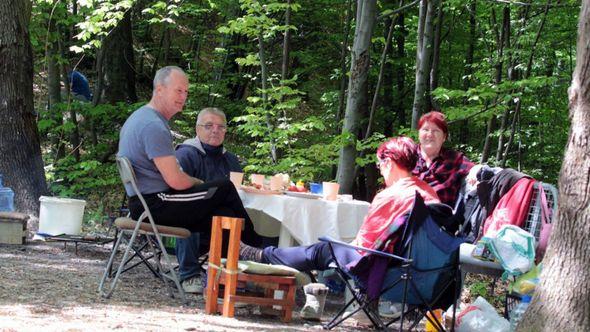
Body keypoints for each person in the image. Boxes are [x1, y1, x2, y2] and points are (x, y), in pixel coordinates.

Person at [238, 137, 441, 319]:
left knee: (322, 250)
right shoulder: (428, 192)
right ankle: (307, 285)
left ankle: (260, 255)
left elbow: (364, 245)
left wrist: (341, 248)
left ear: (388, 163)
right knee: (325, 252)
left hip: (384, 268)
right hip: (421, 273)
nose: (380, 169)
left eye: (380, 164)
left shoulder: (391, 195)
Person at [117, 66, 261, 286]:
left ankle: (232, 277)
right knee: (224, 187)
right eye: (178, 91)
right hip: (155, 204)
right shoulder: (152, 125)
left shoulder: (143, 118)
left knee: (223, 212)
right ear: (159, 89)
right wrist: (199, 184)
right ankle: (259, 254)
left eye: (186, 92)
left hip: (148, 203)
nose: (183, 97)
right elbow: (176, 181)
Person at [174, 107, 243, 293]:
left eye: (221, 127)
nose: (215, 130)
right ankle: (190, 275)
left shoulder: (231, 160)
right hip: (184, 217)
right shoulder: (186, 154)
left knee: (241, 219)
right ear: (197, 129)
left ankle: (229, 276)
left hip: (219, 221)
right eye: (209, 125)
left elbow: (238, 191)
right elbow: (177, 190)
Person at [412, 111, 475, 207]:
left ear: (444, 137)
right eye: (425, 129)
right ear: (419, 133)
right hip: (407, 215)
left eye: (435, 131)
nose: (430, 134)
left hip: (441, 217)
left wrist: (476, 169)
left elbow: (476, 169)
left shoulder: (454, 159)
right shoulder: (407, 156)